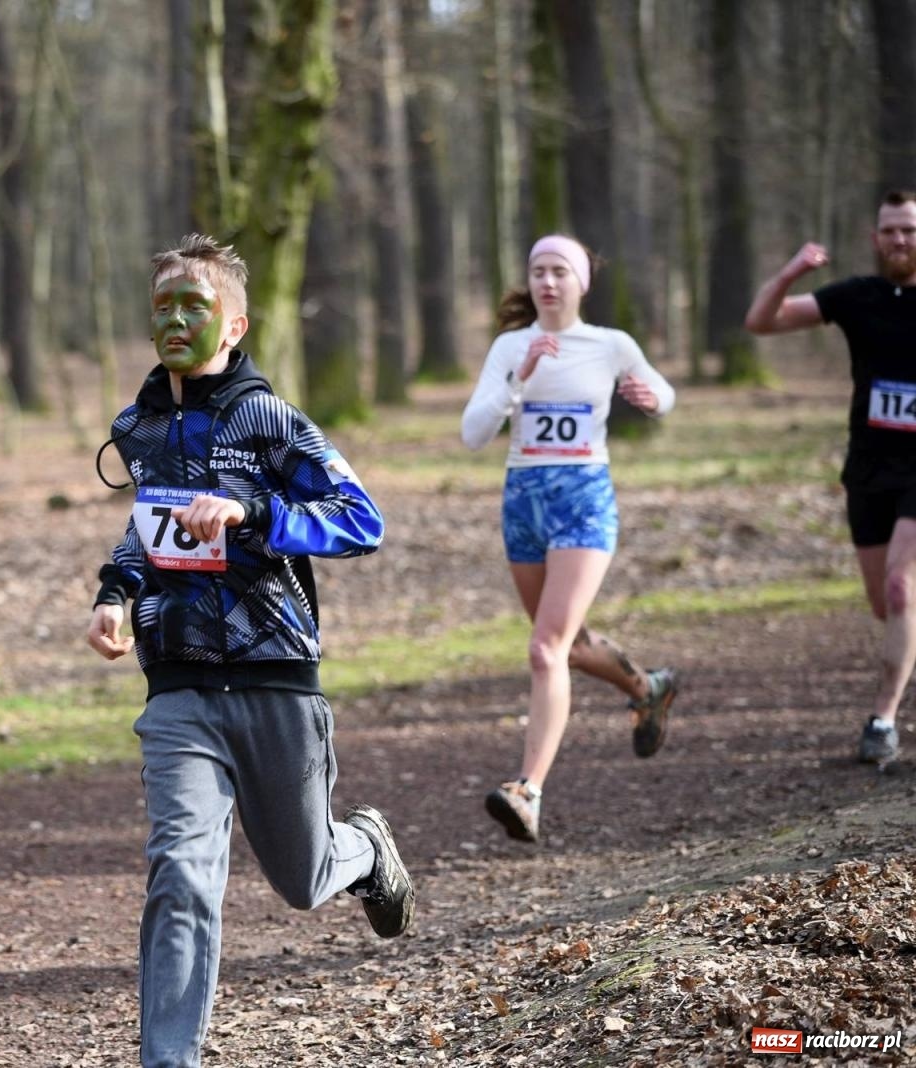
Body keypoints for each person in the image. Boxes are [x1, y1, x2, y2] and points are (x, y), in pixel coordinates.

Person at [87, 234, 415, 1068]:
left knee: (303, 880)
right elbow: (149, 528)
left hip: (275, 677)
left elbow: (361, 520)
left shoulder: (270, 420)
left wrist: (254, 514)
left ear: (234, 326)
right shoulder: (138, 427)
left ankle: (363, 849)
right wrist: (114, 594)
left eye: (194, 306)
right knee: (181, 874)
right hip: (178, 686)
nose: (175, 320)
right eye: (163, 306)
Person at [461, 234, 680, 844]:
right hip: (523, 502)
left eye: (560, 271)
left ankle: (526, 790)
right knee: (567, 646)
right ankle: (648, 687)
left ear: (583, 281)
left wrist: (652, 399)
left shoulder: (611, 344)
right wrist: (519, 378)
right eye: (538, 271)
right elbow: (473, 433)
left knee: (544, 649)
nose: (548, 281)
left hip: (584, 502)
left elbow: (663, 391)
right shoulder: (511, 346)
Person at [745, 190, 916, 765]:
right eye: (890, 230)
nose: (900, 239)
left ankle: (882, 720)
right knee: (886, 605)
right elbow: (761, 322)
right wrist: (791, 273)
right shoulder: (857, 297)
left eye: (910, 229)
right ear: (875, 238)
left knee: (901, 588)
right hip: (868, 468)